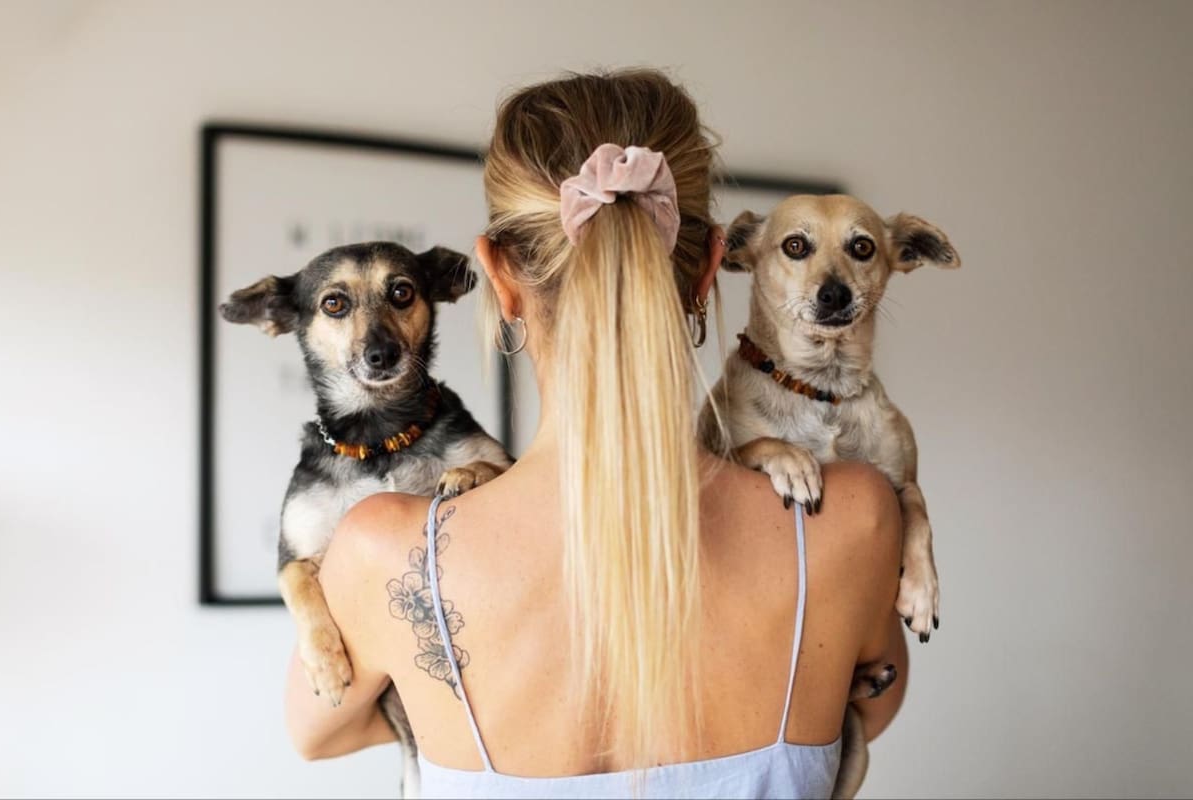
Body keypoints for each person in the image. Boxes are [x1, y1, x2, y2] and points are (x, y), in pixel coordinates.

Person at [284, 69, 907, 798]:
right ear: (709, 272)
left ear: (500, 277)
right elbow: (871, 705)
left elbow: (316, 732)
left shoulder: (384, 550)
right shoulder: (854, 520)